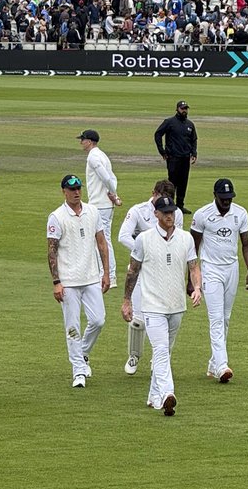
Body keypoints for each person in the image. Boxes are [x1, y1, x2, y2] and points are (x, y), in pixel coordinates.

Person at [121, 195, 201, 415]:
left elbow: (194, 267)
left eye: (172, 212)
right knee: (161, 349)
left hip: (176, 305)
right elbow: (132, 271)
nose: (170, 216)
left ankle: (154, 396)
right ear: (155, 214)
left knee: (164, 351)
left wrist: (197, 288)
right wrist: (127, 300)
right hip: (153, 306)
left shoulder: (185, 239)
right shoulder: (144, 240)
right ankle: (168, 393)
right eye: (165, 213)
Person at [190, 177, 248, 383]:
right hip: (210, 269)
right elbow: (192, 249)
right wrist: (191, 280)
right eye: (223, 198)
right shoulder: (202, 215)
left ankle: (213, 363)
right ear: (215, 196)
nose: (227, 201)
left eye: (229, 198)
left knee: (225, 318)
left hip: (232, 269)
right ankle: (222, 366)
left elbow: (246, 244)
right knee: (216, 318)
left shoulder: (241, 213)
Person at [46, 173, 110, 388]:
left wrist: (106, 273)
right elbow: (52, 251)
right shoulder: (56, 217)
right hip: (69, 281)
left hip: (91, 277)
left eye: (78, 188)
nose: (76, 192)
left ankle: (82, 354)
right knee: (72, 326)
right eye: (71, 189)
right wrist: (56, 281)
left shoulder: (92, 212)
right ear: (63, 191)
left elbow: (102, 244)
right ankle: (78, 371)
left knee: (99, 320)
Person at [117, 178, 182, 375]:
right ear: (154, 193)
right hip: (140, 268)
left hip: (163, 271)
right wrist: (144, 249)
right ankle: (134, 355)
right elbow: (123, 236)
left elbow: (176, 238)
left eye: (169, 201)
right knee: (138, 319)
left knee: (168, 316)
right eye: (162, 199)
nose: (166, 206)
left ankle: (160, 359)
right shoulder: (138, 211)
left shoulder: (176, 213)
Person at [78, 127, 121, 286]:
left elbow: (107, 178)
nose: (81, 143)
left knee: (103, 240)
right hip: (103, 204)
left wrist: (113, 194)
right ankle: (106, 273)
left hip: (100, 204)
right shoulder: (102, 155)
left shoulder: (93, 157)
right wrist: (113, 194)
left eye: (82, 140)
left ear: (89, 141)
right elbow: (113, 178)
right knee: (102, 239)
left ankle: (109, 275)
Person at [153, 99, 198, 210]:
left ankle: (180, 205)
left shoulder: (190, 124)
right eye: (182, 108)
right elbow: (158, 134)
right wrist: (162, 151)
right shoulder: (169, 122)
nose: (184, 111)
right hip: (173, 157)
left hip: (185, 158)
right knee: (172, 182)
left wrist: (194, 152)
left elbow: (194, 139)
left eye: (186, 109)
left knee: (183, 182)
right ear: (177, 109)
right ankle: (170, 204)